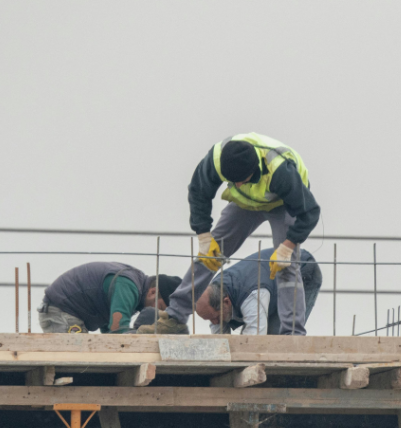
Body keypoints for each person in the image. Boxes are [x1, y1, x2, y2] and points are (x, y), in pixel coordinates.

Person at [139, 132, 320, 335]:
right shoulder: (216, 160)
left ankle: (292, 333)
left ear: (254, 169)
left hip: (283, 203)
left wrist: (287, 247)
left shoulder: (280, 171)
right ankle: (175, 318)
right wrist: (204, 236)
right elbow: (199, 192)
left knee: (286, 265)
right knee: (210, 255)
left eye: (242, 179)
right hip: (246, 201)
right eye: (233, 181)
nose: (238, 184)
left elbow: (310, 212)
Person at [193, 248, 323, 335]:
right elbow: (220, 341)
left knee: (278, 336)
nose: (214, 322)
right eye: (209, 319)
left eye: (215, 318)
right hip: (269, 282)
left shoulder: (251, 295)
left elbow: (255, 338)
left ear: (226, 301)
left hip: (302, 269)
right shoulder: (215, 297)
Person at [39, 262, 181, 334]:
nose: (157, 314)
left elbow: (109, 333)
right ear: (153, 292)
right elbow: (118, 332)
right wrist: (140, 335)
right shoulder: (128, 287)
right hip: (62, 312)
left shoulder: (134, 289)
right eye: (160, 308)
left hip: (65, 311)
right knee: (74, 360)